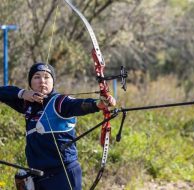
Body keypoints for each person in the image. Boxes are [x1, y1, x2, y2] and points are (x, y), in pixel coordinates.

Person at [0, 62, 116, 190]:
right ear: (30, 83)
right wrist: (22, 93)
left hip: (62, 174)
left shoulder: (59, 102)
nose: (42, 81)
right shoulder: (27, 104)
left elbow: (78, 105)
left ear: (52, 82)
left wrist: (98, 104)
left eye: (46, 77)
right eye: (37, 77)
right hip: (38, 175)